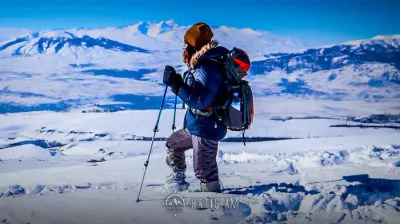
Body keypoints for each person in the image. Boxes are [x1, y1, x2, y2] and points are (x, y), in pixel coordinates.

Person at [162, 22, 229, 192]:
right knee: (174, 144)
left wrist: (176, 86)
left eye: (186, 42)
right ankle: (176, 184)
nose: (183, 45)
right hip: (196, 124)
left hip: (207, 127)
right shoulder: (200, 65)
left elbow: (200, 101)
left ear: (194, 46)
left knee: (204, 172)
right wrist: (179, 82)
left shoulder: (206, 68)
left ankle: (214, 207)